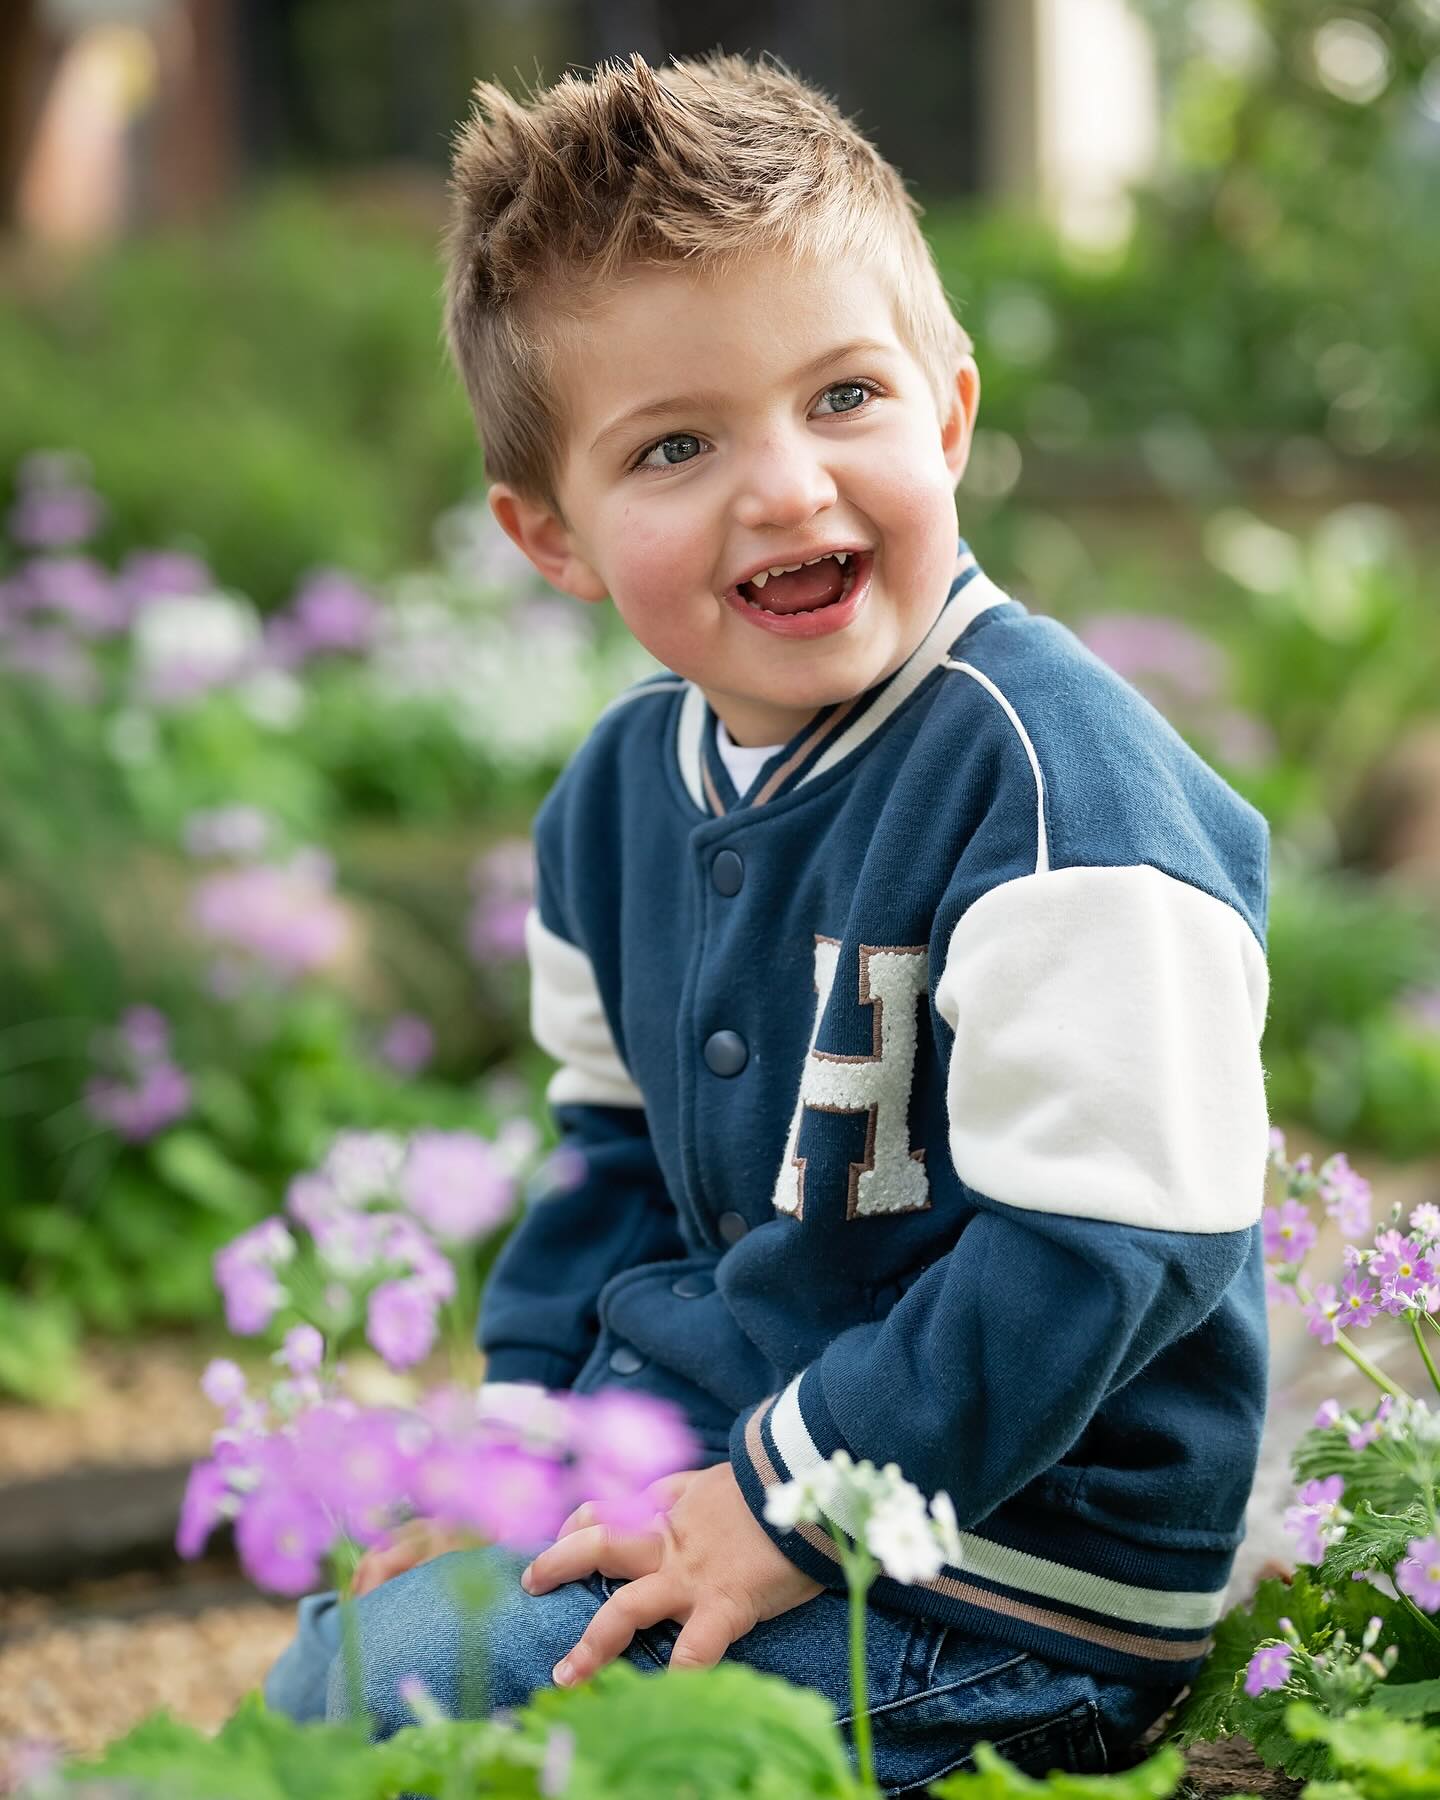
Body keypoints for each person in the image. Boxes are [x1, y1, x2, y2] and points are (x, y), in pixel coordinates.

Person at [263, 51, 1271, 1795]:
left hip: (1018, 1566)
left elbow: (1112, 1249)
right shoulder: (612, 805)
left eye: (845, 398)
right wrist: (507, 1467)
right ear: (551, 536)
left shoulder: (1051, 782)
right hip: (740, 1476)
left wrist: (788, 1509)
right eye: (675, 444)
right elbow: (613, 1170)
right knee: (349, 1673)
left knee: (414, 1713)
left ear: (950, 413)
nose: (789, 487)